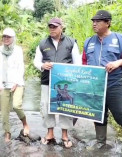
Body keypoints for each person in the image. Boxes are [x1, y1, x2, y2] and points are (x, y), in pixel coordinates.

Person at [82, 10, 122, 149]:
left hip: (116, 84)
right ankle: (100, 142)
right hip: (95, 85)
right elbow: (84, 63)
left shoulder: (120, 39)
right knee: (98, 114)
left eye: (98, 21)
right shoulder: (88, 42)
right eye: (93, 21)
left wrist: (117, 63)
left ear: (108, 23)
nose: (94, 24)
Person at [33, 17, 81, 148]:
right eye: (50, 26)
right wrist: (43, 66)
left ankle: (65, 135)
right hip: (47, 81)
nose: (52, 29)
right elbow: (36, 61)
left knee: (65, 107)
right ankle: (50, 134)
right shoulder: (42, 43)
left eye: (54, 26)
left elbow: (78, 63)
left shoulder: (71, 42)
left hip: (66, 83)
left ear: (61, 27)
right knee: (47, 106)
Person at [0, 28, 30, 142]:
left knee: (16, 105)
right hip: (3, 84)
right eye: (4, 36)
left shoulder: (18, 50)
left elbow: (21, 67)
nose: (6, 39)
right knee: (4, 112)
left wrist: (17, 82)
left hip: (17, 83)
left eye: (8, 37)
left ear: (13, 38)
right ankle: (7, 133)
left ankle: (25, 124)